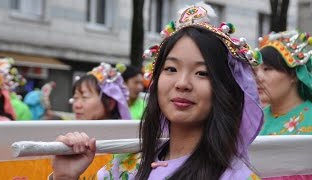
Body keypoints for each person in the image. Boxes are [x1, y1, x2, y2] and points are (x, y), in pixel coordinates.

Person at [51, 2, 263, 179]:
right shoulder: (126, 166)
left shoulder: (237, 177)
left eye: (202, 73)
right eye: (171, 69)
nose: (182, 83)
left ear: (224, 88)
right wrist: (65, 177)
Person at [255, 30, 312, 135]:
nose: (258, 78)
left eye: (267, 69)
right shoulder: (252, 120)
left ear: (294, 75)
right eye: (255, 71)